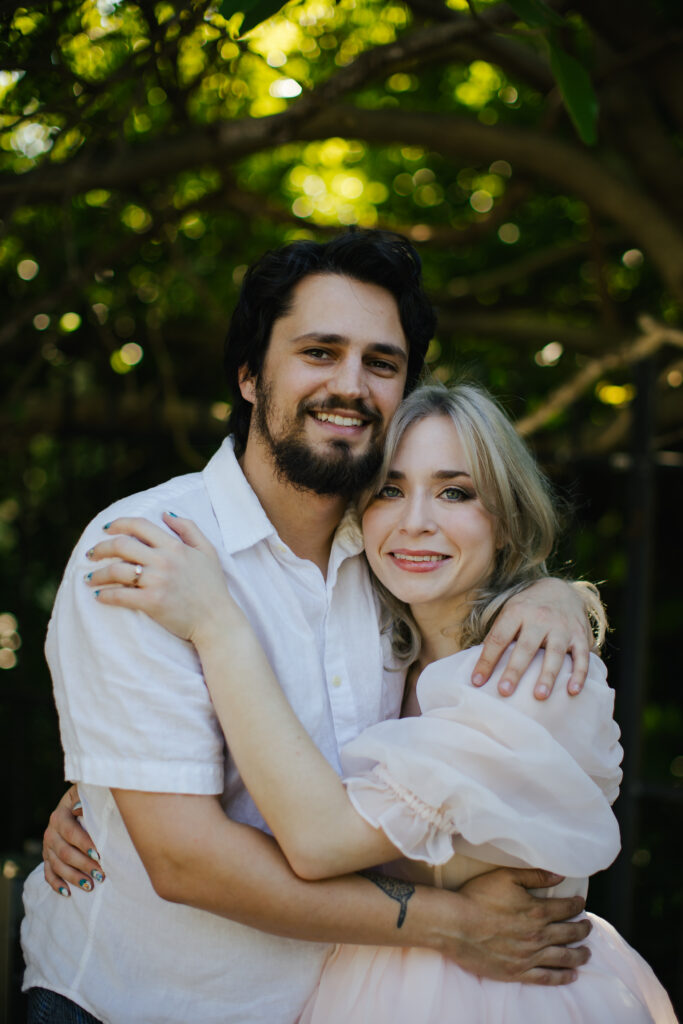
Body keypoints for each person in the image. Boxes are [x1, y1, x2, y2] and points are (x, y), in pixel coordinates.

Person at [24, 231, 596, 1024]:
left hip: (332, 1003)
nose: (350, 385)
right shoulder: (150, 547)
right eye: (319, 352)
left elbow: (472, 638)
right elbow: (185, 858)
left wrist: (558, 596)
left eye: (381, 363)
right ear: (252, 375)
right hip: (135, 1005)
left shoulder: (397, 557)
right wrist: (454, 926)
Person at [76, 382, 677, 1023]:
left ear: (505, 520)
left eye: (455, 491)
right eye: (390, 489)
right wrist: (118, 789)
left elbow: (319, 840)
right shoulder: (384, 644)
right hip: (358, 989)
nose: (415, 519)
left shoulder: (532, 677)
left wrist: (216, 622)